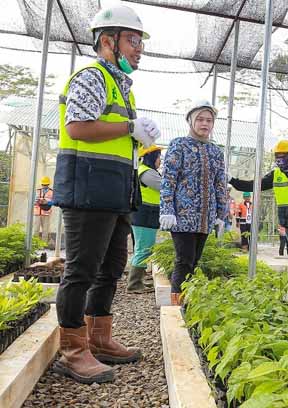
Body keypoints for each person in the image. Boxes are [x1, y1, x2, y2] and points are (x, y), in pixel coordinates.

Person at [51, 4, 160, 384]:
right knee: (81, 271)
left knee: (111, 268)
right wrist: (130, 127)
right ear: (107, 40)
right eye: (133, 40)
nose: (138, 49)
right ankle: (72, 351)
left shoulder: (119, 84)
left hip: (113, 191)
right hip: (87, 188)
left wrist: (133, 131)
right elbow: (79, 127)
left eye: (139, 42)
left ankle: (98, 338)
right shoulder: (92, 76)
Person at [160, 100, 226, 306]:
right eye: (200, 119)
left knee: (194, 262)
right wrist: (167, 209)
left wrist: (221, 214)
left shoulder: (216, 152)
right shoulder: (179, 145)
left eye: (209, 120)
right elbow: (168, 179)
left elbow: (220, 184)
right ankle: (176, 307)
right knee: (184, 260)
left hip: (205, 218)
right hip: (182, 216)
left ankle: (187, 302)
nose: (205, 124)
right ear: (190, 121)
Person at [229, 140, 288, 274]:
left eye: (283, 157)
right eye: (277, 158)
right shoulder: (276, 175)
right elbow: (254, 185)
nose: (280, 161)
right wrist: (232, 181)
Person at [128, 145, 163, 294]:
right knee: (143, 249)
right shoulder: (147, 173)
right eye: (158, 157)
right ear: (151, 158)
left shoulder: (147, 171)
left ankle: (139, 280)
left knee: (144, 248)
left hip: (147, 215)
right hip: (145, 215)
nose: (160, 160)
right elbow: (165, 187)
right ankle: (134, 284)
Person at [33, 176, 54, 243]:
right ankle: (35, 244)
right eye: (43, 184)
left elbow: (54, 202)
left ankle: (43, 244)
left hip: (46, 213)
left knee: (45, 230)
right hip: (37, 213)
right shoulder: (38, 191)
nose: (44, 186)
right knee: (36, 229)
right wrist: (37, 201)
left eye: (45, 185)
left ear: (48, 184)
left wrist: (47, 202)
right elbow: (33, 201)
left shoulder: (52, 192)